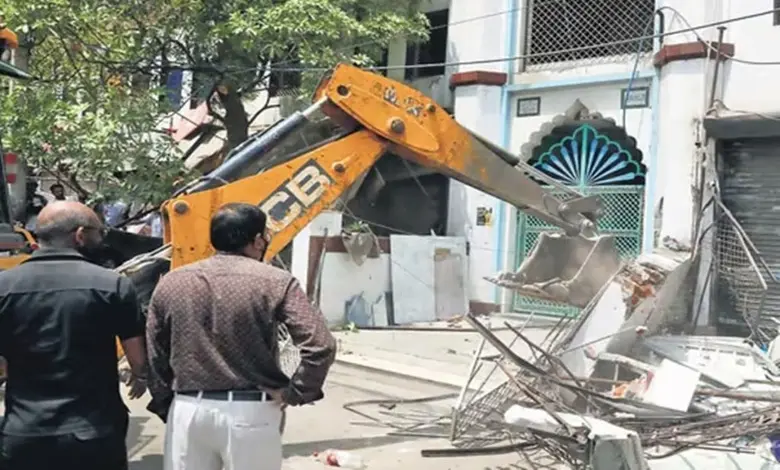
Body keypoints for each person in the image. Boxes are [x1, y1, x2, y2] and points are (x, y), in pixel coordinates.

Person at [146, 202, 337, 470]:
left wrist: (167, 402)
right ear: (258, 240)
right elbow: (321, 345)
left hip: (187, 409)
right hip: (251, 412)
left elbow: (155, 353)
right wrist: (296, 392)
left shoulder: (171, 282)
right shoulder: (276, 281)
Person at [0, 201, 148, 470]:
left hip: (24, 432)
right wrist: (141, 376)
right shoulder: (112, 285)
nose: (102, 239)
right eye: (99, 232)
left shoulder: (4, 286)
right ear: (79, 235)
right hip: (93, 434)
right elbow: (138, 359)